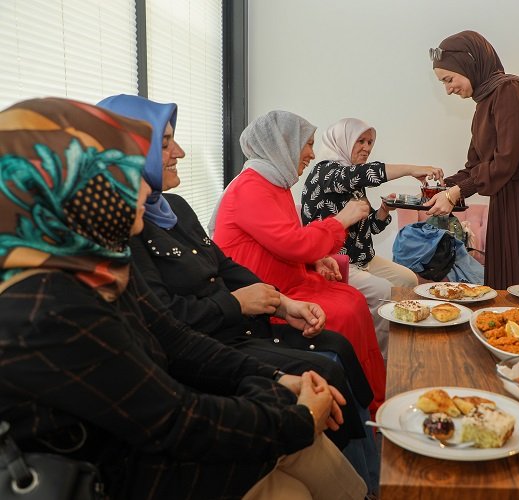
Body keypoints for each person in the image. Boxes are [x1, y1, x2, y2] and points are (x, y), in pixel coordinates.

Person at [0, 97, 366, 500]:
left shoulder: (99, 263)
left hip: (158, 434)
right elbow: (173, 419)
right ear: (70, 188)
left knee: (305, 437)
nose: (145, 181)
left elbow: (174, 338)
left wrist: (279, 382)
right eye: (125, 171)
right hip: (123, 473)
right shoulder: (46, 307)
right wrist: (294, 417)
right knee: (291, 480)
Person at [97, 95, 379, 493]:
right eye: (164, 144)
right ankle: (366, 471)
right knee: (329, 359)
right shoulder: (124, 238)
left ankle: (370, 463)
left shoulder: (173, 206)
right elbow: (171, 349)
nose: (179, 151)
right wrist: (245, 308)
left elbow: (223, 267)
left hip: (235, 324)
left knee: (337, 343)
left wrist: (281, 301)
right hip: (223, 334)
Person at [211, 110, 386, 414]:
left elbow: (286, 237)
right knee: (344, 311)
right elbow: (291, 243)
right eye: (307, 144)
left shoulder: (274, 184)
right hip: (266, 295)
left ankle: (368, 401)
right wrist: (340, 221)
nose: (311, 153)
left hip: (289, 281)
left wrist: (317, 258)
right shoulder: (251, 187)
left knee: (354, 300)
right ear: (283, 144)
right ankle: (355, 407)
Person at [425, 30, 519, 290]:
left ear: (468, 64)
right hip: (511, 193)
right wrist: (439, 187)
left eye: (448, 79)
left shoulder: (509, 90)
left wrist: (455, 193)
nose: (448, 90)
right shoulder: (484, 104)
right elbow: (475, 167)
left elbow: (505, 160)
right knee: (506, 280)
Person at [299, 117, 444, 356]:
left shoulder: (350, 179)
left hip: (363, 258)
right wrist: (411, 169)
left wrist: (384, 211)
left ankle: (404, 342)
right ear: (342, 141)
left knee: (407, 280)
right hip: (335, 261)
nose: (366, 147)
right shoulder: (327, 172)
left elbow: (368, 230)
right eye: (361, 141)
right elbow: (368, 173)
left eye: (370, 142)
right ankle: (380, 356)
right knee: (383, 291)